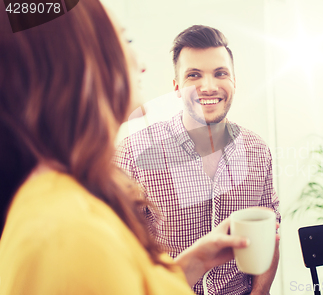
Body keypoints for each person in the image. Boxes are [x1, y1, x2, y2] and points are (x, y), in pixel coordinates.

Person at [0, 2, 253, 294]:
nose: (141, 62)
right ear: (79, 62)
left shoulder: (71, 200)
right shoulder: (65, 235)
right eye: (126, 40)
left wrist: (198, 259)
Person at [114, 25, 280, 295]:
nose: (209, 86)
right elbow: (121, 257)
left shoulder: (257, 150)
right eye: (194, 75)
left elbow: (270, 237)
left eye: (220, 73)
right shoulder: (133, 153)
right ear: (177, 87)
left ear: (234, 81)